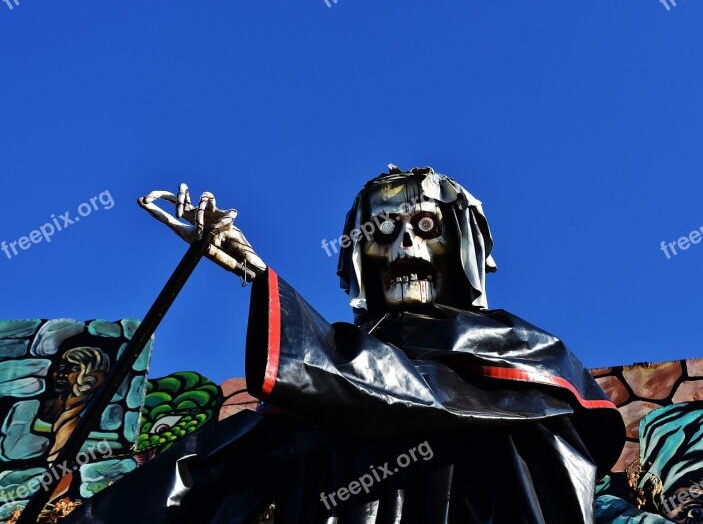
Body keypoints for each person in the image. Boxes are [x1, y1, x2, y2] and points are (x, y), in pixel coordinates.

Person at [68, 166, 624, 523]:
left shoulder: (519, 349)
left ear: (462, 245)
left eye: (426, 225)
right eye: (381, 231)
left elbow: (402, 390)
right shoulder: (336, 374)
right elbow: (216, 462)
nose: (404, 244)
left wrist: (263, 278)